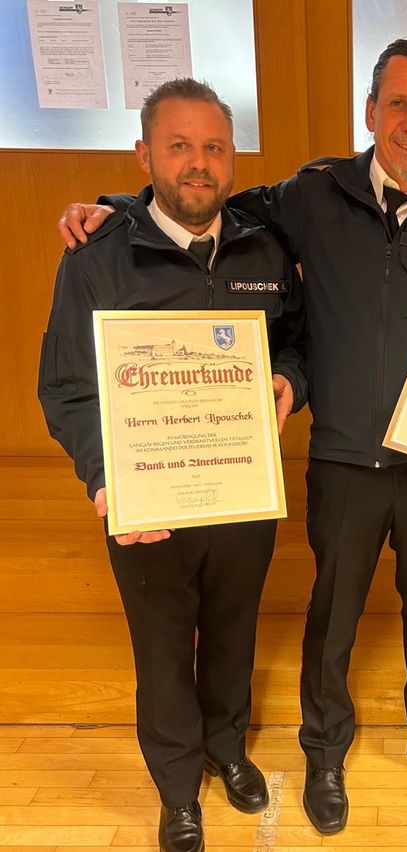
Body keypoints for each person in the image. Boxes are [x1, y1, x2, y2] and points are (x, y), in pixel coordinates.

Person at [58, 39, 407, 836]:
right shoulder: (310, 195)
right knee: (327, 618)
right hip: (332, 460)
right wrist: (115, 205)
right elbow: (199, 201)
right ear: (370, 112)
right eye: (397, 103)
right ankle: (316, 755)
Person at [40, 79, 307, 852]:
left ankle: (227, 749)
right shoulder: (97, 256)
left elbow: (295, 338)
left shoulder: (264, 244)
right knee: (162, 649)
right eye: (180, 145)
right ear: (144, 155)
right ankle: (177, 785)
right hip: (146, 502)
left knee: (233, 631)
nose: (199, 164)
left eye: (214, 147)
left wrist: (292, 377)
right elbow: (64, 387)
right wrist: (105, 478)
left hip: (243, 491)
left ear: (233, 158)